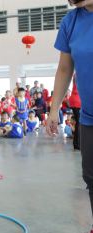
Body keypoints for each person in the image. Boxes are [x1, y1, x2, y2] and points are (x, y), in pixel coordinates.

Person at [47, 1, 93, 233]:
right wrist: (54, 109)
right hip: (89, 117)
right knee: (91, 177)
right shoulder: (71, 21)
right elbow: (65, 68)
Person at [69, 75, 81, 150]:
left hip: (74, 100)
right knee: (79, 124)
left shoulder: (76, 74)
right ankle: (77, 144)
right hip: (77, 101)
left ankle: (76, 144)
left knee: (78, 124)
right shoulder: (80, 74)